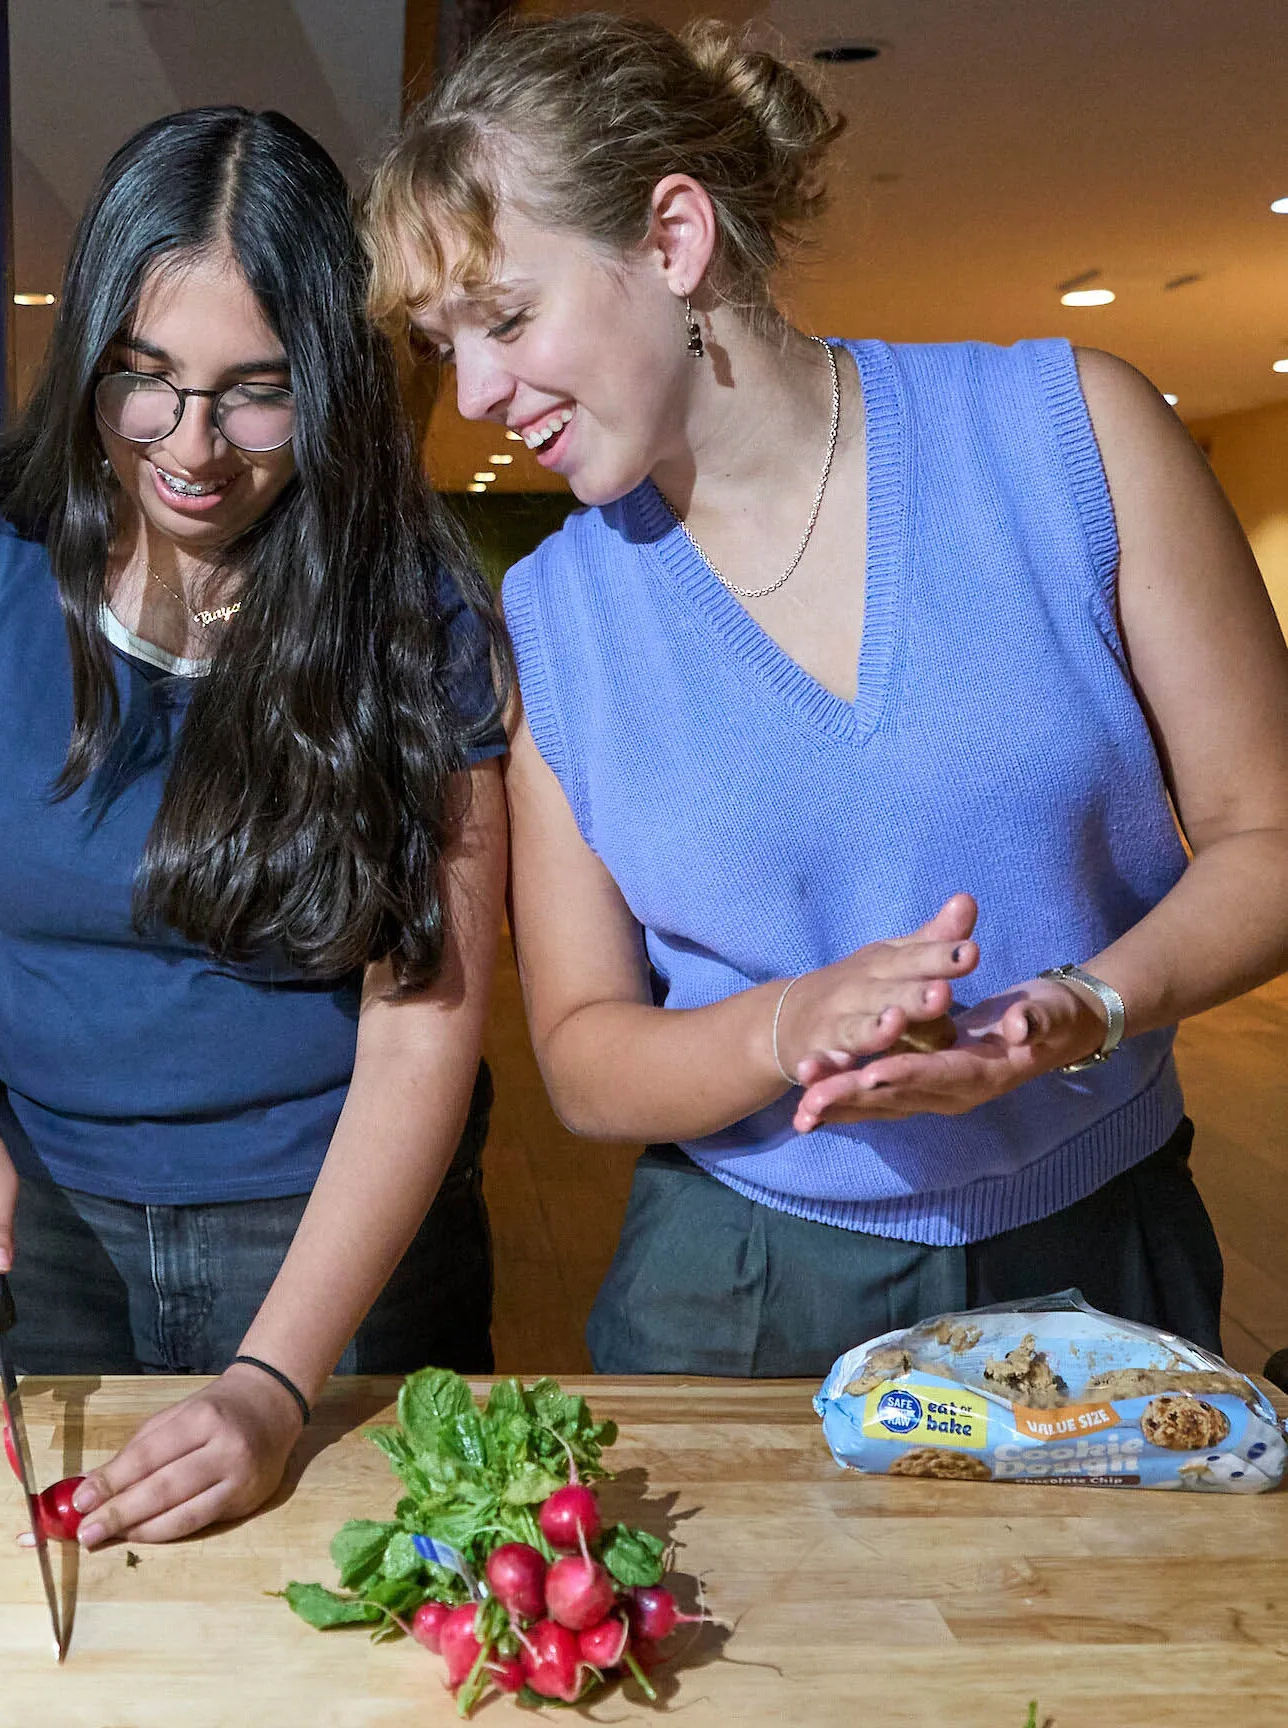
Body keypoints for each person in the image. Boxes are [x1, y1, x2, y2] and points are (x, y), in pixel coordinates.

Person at [362, 14, 1288, 1375]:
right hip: (739, 1289)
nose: (479, 392)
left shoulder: (1074, 436)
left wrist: (1085, 1006)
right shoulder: (558, 617)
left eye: (504, 319)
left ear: (674, 239)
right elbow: (584, 1053)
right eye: (447, 347)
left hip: (1100, 1248)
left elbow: (1269, 835)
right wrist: (790, 1023)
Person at [0, 107, 508, 1544]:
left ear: (331, 381)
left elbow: (426, 1021)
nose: (191, 447)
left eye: (257, 395)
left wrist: (273, 1384)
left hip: (333, 1238)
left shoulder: (413, 613)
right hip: (38, 1215)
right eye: (143, 381)